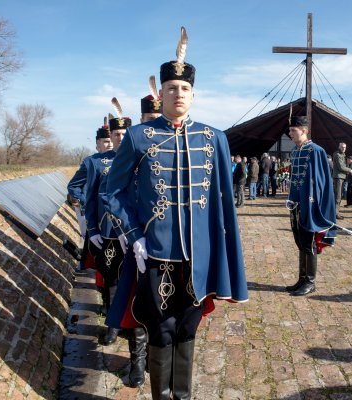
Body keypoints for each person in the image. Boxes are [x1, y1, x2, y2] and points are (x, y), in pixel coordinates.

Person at [105, 28, 248, 400]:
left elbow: (224, 202)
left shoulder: (214, 137)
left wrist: (222, 247)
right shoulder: (139, 136)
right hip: (154, 253)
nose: (177, 94)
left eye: (184, 89)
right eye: (171, 88)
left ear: (193, 94)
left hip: (199, 255)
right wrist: (134, 236)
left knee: (189, 327)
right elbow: (113, 191)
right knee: (160, 328)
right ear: (162, 93)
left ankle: (182, 396)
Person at [106, 87, 163, 388]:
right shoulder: (133, 145)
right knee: (134, 302)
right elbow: (113, 193)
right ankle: (137, 362)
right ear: (140, 120)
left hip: (166, 241)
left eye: (158, 116)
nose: (153, 122)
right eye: (148, 118)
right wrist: (128, 233)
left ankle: (158, 359)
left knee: (163, 304)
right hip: (135, 239)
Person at [85, 103, 132, 347]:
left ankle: (135, 327)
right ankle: (113, 326)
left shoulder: (141, 159)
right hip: (109, 233)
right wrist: (92, 229)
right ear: (110, 136)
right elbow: (90, 198)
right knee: (112, 281)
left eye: (125, 134)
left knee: (134, 282)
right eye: (116, 134)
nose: (120, 138)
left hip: (136, 236)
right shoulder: (97, 163)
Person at [285, 115, 336, 296]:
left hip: (310, 204)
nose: (290, 134)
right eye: (290, 130)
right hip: (296, 203)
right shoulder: (295, 151)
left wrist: (315, 203)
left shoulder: (316, 151)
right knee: (300, 241)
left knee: (309, 242)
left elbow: (322, 182)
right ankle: (302, 278)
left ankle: (311, 281)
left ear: (304, 131)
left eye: (293, 130)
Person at [67, 121, 113, 272]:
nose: (110, 144)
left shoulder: (124, 159)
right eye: (106, 141)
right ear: (98, 143)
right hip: (95, 215)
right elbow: (73, 186)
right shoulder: (90, 162)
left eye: (111, 140)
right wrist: (86, 202)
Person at [332, 142, 352, 219]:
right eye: (342, 147)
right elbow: (341, 167)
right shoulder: (337, 155)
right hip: (338, 177)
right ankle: (335, 214)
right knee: (337, 196)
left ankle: (336, 212)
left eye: (345, 147)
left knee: (338, 196)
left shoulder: (342, 155)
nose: (344, 148)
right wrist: (349, 170)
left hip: (341, 177)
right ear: (339, 147)